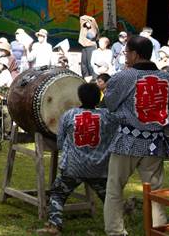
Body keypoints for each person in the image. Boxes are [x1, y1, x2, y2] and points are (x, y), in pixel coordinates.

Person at [103, 35, 169, 236]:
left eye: (126, 52)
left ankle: (115, 231)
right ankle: (158, 229)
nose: (125, 56)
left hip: (127, 140)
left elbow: (109, 103)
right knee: (156, 191)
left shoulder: (123, 77)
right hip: (154, 141)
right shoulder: (167, 78)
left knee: (115, 187)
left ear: (134, 54)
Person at [38, 82, 115, 235]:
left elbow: (60, 142)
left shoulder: (69, 115)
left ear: (79, 97)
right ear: (98, 98)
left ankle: (55, 225)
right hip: (99, 168)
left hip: (73, 166)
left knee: (58, 193)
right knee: (109, 197)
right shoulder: (107, 116)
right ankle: (116, 225)